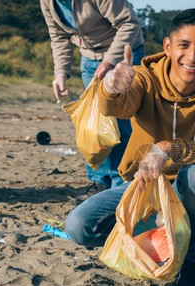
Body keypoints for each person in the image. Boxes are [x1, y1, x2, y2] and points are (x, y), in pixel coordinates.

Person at [64, 8, 195, 286]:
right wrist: (110, 88)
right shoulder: (145, 77)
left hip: (184, 191)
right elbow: (120, 106)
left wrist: (167, 149)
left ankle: (193, 260)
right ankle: (145, 237)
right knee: (77, 226)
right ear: (168, 47)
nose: (192, 57)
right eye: (183, 45)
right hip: (140, 186)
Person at [40, 0, 144, 200]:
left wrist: (110, 61)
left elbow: (129, 24)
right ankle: (99, 181)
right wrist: (61, 72)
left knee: (120, 123)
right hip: (89, 58)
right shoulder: (47, 2)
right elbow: (59, 36)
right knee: (95, 124)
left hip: (124, 54)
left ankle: (120, 180)